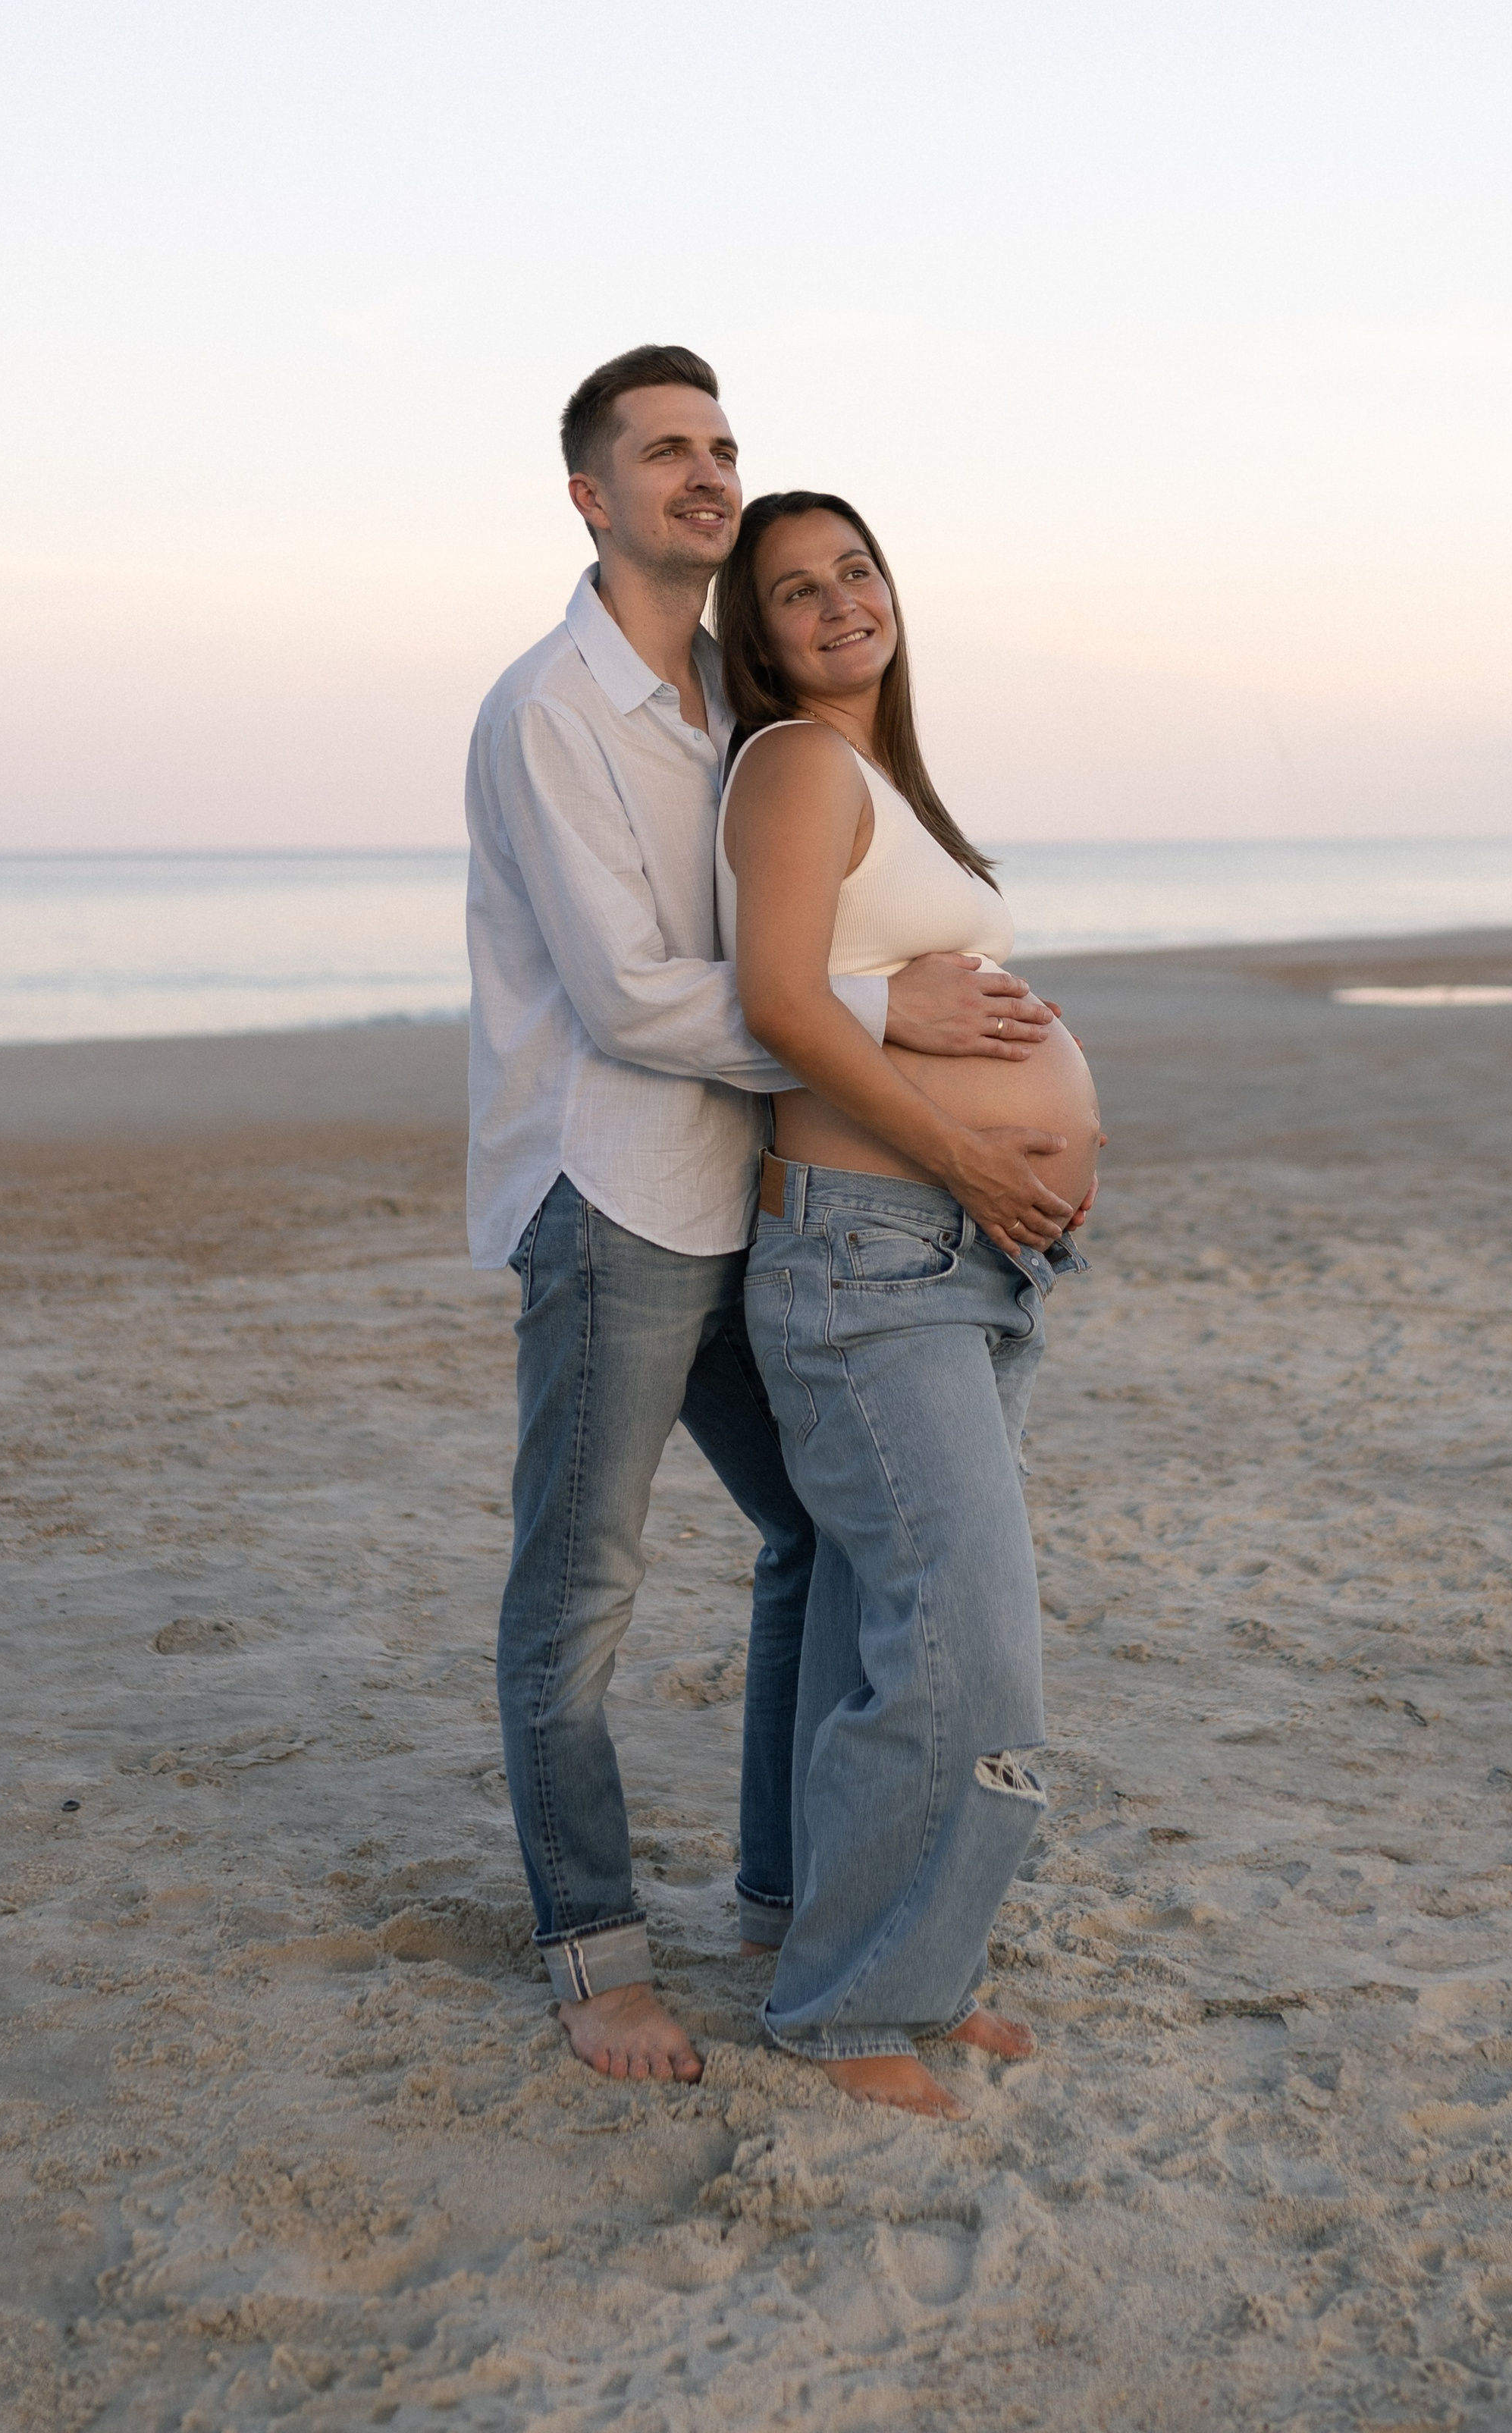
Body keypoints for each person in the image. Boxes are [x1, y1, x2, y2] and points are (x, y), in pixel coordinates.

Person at [463, 347, 1066, 2084]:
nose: (704, 473)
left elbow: (804, 934)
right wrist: (894, 1020)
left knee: (817, 1537)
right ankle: (593, 1955)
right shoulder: (549, 714)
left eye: (719, 444)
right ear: (591, 494)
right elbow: (637, 997)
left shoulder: (733, 707)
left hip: (752, 1203)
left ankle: (782, 1899)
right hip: (615, 1200)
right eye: (664, 452)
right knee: (578, 1590)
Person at [715, 488, 1103, 2118]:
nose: (835, 603)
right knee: (965, 1645)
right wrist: (969, 1149)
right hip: (873, 1255)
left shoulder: (884, 785)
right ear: (757, 629)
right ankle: (848, 2006)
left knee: (897, 1622)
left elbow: (906, 989)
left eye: (855, 571)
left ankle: (892, 1968)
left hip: (961, 1260)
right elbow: (780, 1001)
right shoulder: (793, 763)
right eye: (795, 589)